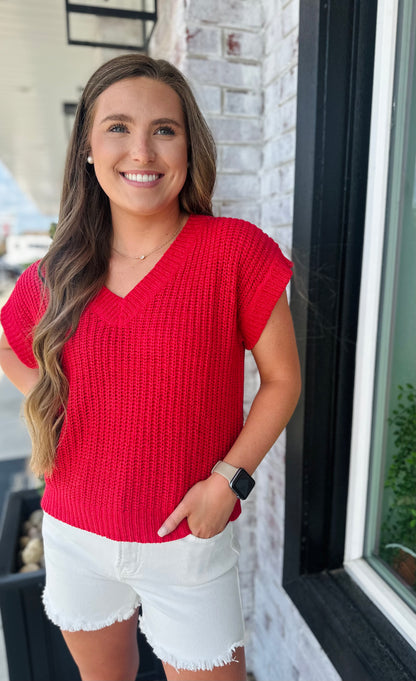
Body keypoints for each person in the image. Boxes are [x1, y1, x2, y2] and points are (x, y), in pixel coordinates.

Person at [0, 54, 301, 681]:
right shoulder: (54, 274)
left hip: (187, 541)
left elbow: (282, 380)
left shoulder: (235, 253)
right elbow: (9, 347)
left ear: (189, 147)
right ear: (87, 146)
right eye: (117, 127)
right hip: (75, 532)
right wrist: (58, 402)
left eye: (164, 129)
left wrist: (229, 482)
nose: (142, 149)